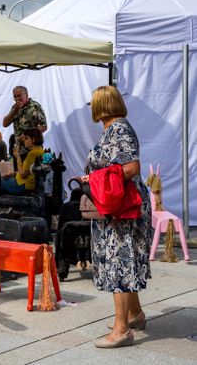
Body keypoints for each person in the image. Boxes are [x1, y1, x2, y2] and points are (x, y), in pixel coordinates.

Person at [83, 85, 152, 349]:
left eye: (93, 103)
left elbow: (132, 167)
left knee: (119, 262)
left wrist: (98, 178)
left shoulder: (120, 129)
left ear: (102, 105)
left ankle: (121, 329)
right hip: (118, 206)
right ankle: (135, 314)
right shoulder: (114, 128)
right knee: (124, 259)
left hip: (123, 208)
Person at [2, 86, 46, 160]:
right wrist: (15, 111)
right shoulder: (15, 107)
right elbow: (5, 124)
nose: (17, 99)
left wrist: (27, 136)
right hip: (19, 151)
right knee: (19, 171)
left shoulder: (35, 106)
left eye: (19, 96)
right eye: (15, 97)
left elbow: (43, 126)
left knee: (31, 171)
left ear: (26, 95)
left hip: (32, 150)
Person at [1, 128, 44, 195]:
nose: (24, 140)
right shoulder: (41, 151)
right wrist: (11, 174)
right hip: (26, 183)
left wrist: (18, 158)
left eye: (26, 138)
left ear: (33, 139)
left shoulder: (32, 154)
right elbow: (27, 171)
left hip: (24, 184)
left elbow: (23, 174)